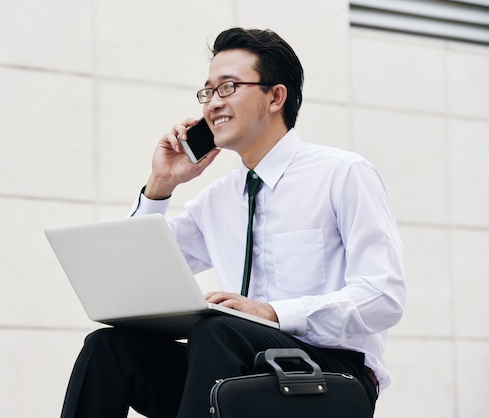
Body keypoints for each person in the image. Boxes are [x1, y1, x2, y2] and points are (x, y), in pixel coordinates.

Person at [60, 27, 406, 418]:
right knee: (109, 347)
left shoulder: (342, 174)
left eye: (228, 88)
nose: (212, 104)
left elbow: (384, 296)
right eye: (207, 91)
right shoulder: (219, 198)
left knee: (218, 330)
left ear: (276, 96)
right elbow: (132, 275)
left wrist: (274, 312)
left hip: (329, 376)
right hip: (234, 371)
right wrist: (160, 186)